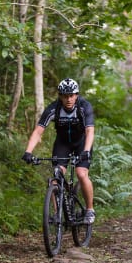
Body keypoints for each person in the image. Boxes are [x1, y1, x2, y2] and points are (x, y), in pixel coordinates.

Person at [22, 78, 96, 225]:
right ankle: (57, 214)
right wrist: (28, 151)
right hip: (63, 143)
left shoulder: (84, 106)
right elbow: (38, 131)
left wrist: (86, 150)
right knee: (55, 177)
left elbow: (89, 130)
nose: (68, 99)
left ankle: (89, 209)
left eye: (71, 95)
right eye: (65, 96)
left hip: (81, 143)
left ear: (76, 95)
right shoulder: (53, 108)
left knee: (81, 174)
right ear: (60, 96)